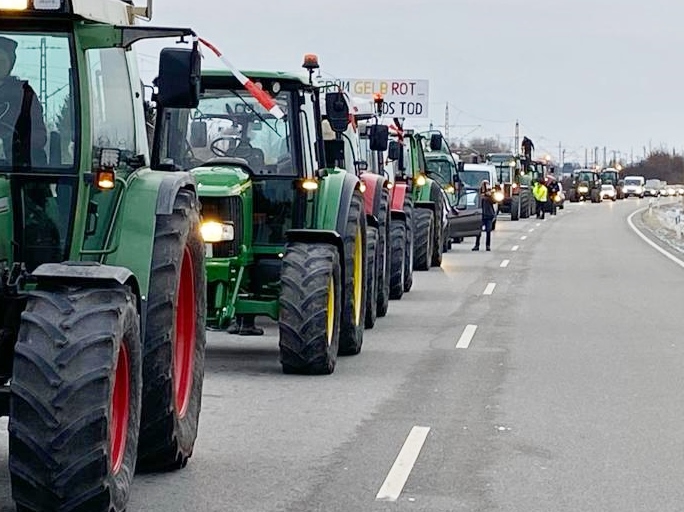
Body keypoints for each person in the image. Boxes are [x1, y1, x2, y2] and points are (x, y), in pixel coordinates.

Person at [0, 36, 47, 166]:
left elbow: (40, 135)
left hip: (19, 167)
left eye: (2, 61)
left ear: (10, 64)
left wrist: (18, 141)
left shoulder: (25, 94)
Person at [473, 180, 496, 251]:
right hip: (480, 215)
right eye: (484, 185)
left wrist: (490, 195)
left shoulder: (491, 194)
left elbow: (494, 201)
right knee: (478, 231)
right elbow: (475, 201)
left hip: (488, 215)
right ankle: (477, 245)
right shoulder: (479, 194)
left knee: (488, 231)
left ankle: (488, 245)